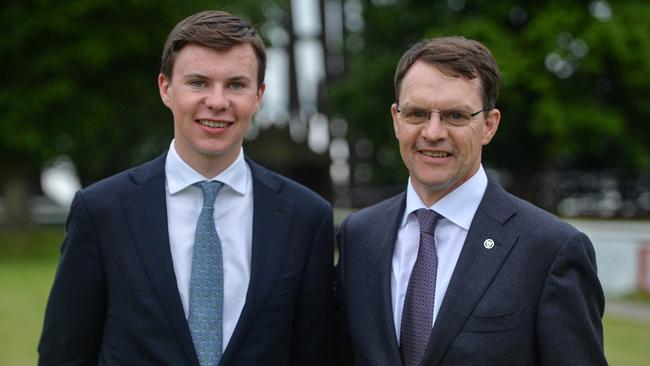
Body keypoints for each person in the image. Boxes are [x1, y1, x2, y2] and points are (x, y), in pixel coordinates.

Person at [39, 10, 333, 366]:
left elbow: (316, 355)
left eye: (236, 85)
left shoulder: (306, 217)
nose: (217, 101)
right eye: (198, 82)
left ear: (258, 96)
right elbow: (64, 354)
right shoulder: (101, 210)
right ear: (166, 88)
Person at [336, 36, 606, 365]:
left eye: (455, 116)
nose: (433, 132)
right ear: (396, 119)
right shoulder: (359, 236)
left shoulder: (550, 250)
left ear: (488, 126)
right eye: (417, 113)